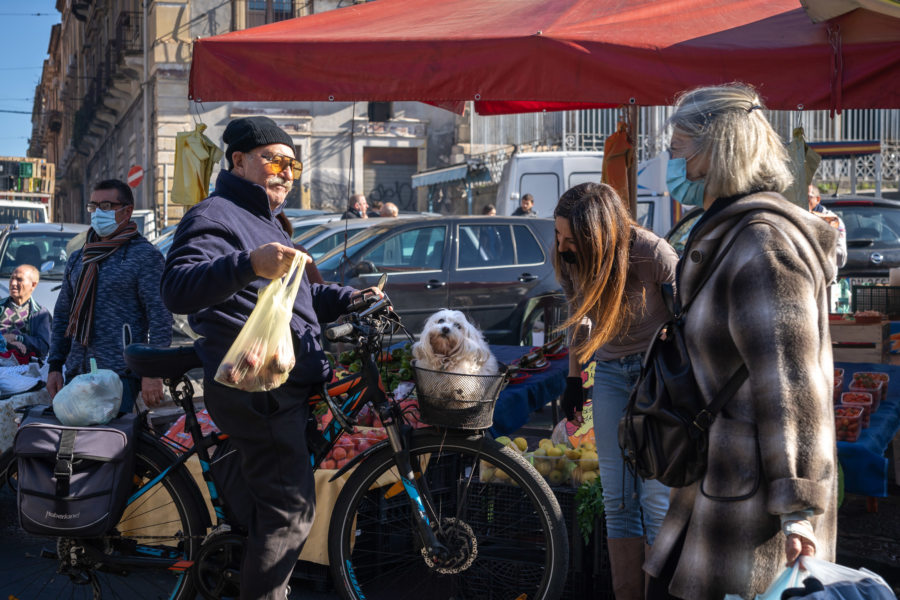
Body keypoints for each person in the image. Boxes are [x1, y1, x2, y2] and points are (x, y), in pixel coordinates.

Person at [161, 115, 381, 600]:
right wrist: (248, 263)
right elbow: (177, 288)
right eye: (274, 159)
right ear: (238, 160)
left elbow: (299, 301)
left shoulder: (269, 221)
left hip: (284, 382)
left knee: (271, 498)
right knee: (289, 512)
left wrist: (349, 298)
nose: (285, 171)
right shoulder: (214, 215)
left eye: (293, 164)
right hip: (254, 388)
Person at [645, 83, 837, 600]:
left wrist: (798, 509)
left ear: (716, 149)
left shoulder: (762, 243)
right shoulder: (728, 231)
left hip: (756, 509)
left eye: (677, 147)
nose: (670, 160)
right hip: (717, 482)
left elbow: (791, 383)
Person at [554, 182, 677, 600]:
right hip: (607, 374)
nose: (563, 247)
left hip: (657, 380)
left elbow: (689, 321)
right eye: (559, 236)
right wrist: (575, 378)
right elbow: (578, 315)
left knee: (656, 503)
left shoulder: (651, 254)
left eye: (571, 239)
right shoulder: (570, 257)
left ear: (598, 236)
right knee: (618, 502)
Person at [47, 179, 171, 411]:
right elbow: (63, 315)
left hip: (121, 375)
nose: (97, 213)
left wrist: (153, 372)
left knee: (115, 444)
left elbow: (160, 317)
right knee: (79, 444)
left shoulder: (145, 257)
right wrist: (55, 366)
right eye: (93, 206)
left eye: (106, 206)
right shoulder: (79, 258)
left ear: (127, 211)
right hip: (78, 374)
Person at [1, 264, 51, 360]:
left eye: (19, 279)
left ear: (33, 285)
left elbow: (43, 347)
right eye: (12, 278)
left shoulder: (40, 313)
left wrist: (17, 338)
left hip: (26, 367)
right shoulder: (1, 307)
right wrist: (7, 342)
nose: (13, 283)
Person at [809, 184, 848, 269]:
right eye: (801, 197)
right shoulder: (794, 217)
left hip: (826, 279)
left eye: (808, 197)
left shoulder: (832, 220)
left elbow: (841, 259)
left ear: (818, 199)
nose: (804, 201)